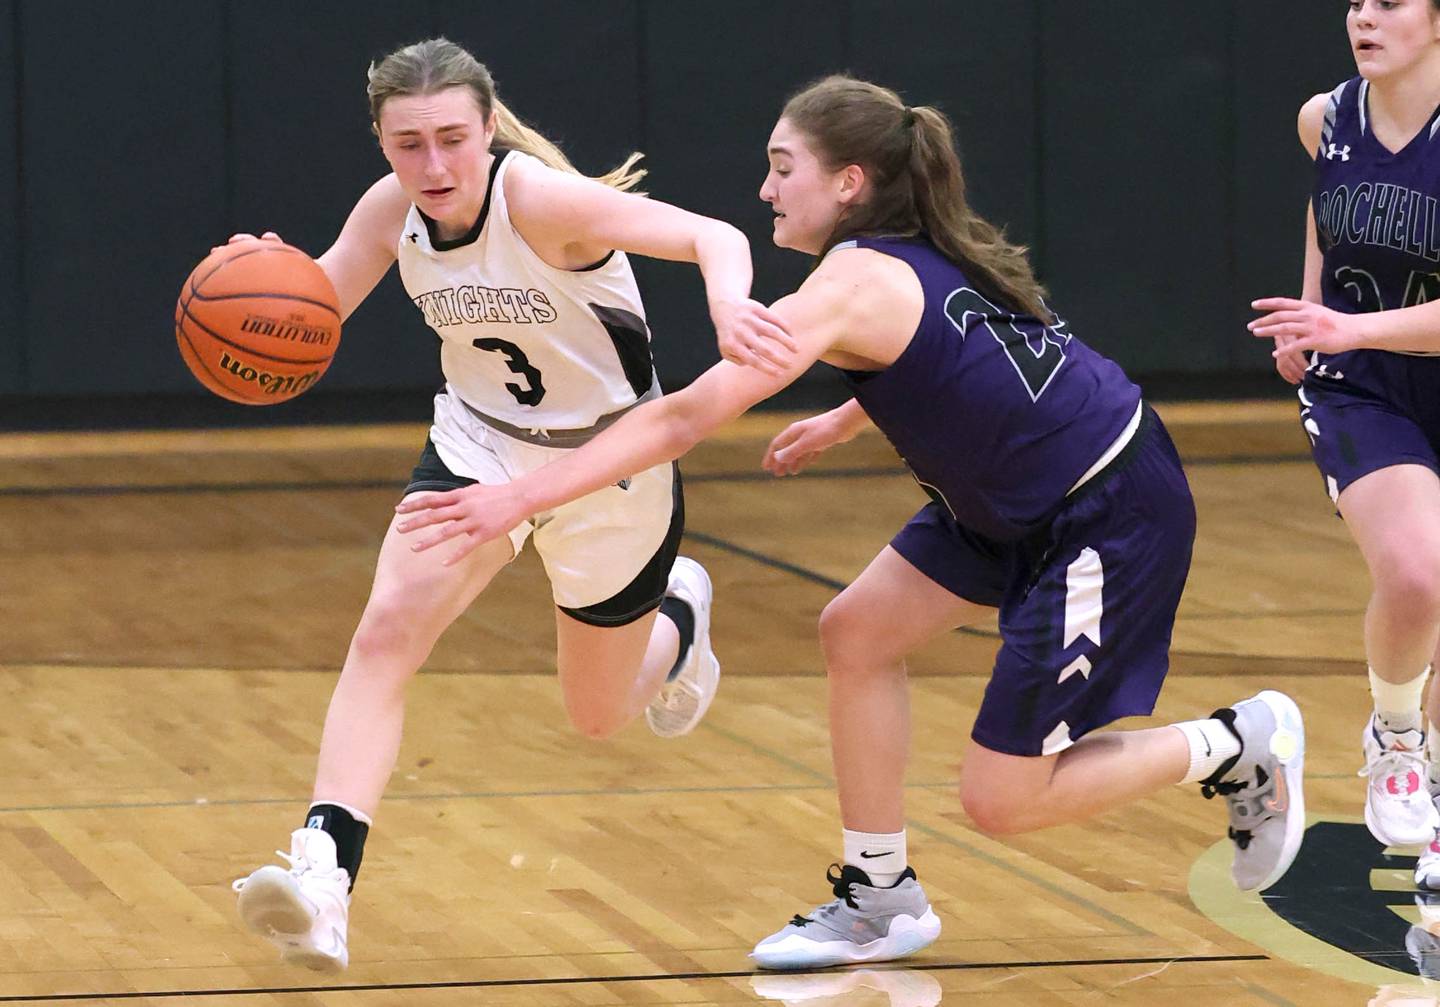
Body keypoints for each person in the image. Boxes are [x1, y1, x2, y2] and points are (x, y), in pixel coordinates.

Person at [397, 74, 1308, 970]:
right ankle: (880, 898)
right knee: (857, 630)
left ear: (847, 183)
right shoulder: (907, 248)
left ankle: (1239, 743)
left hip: (1100, 512)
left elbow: (681, 420)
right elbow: (970, 356)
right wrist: (850, 413)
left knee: (1002, 799)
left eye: (781, 166)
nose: (764, 189)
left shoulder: (847, 285)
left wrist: (521, 494)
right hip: (1008, 501)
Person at [228, 37, 795, 972]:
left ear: (489, 130)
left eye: (453, 138)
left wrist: (731, 307)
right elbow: (309, 311)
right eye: (409, 144)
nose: (434, 164)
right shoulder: (389, 212)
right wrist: (259, 283)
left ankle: (680, 616)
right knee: (385, 633)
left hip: (609, 461)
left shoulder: (537, 200)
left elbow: (715, 236)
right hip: (478, 446)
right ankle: (324, 880)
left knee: (598, 715)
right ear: (382, 143)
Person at [1249, 0, 1440, 882]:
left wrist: (1348, 325)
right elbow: (1325, 216)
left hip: (1390, 350)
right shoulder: (1325, 118)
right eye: (1357, 3)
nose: (1363, 17)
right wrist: (1309, 314)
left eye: (1389, 3)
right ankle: (1395, 732)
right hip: (1365, 388)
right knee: (1416, 570)